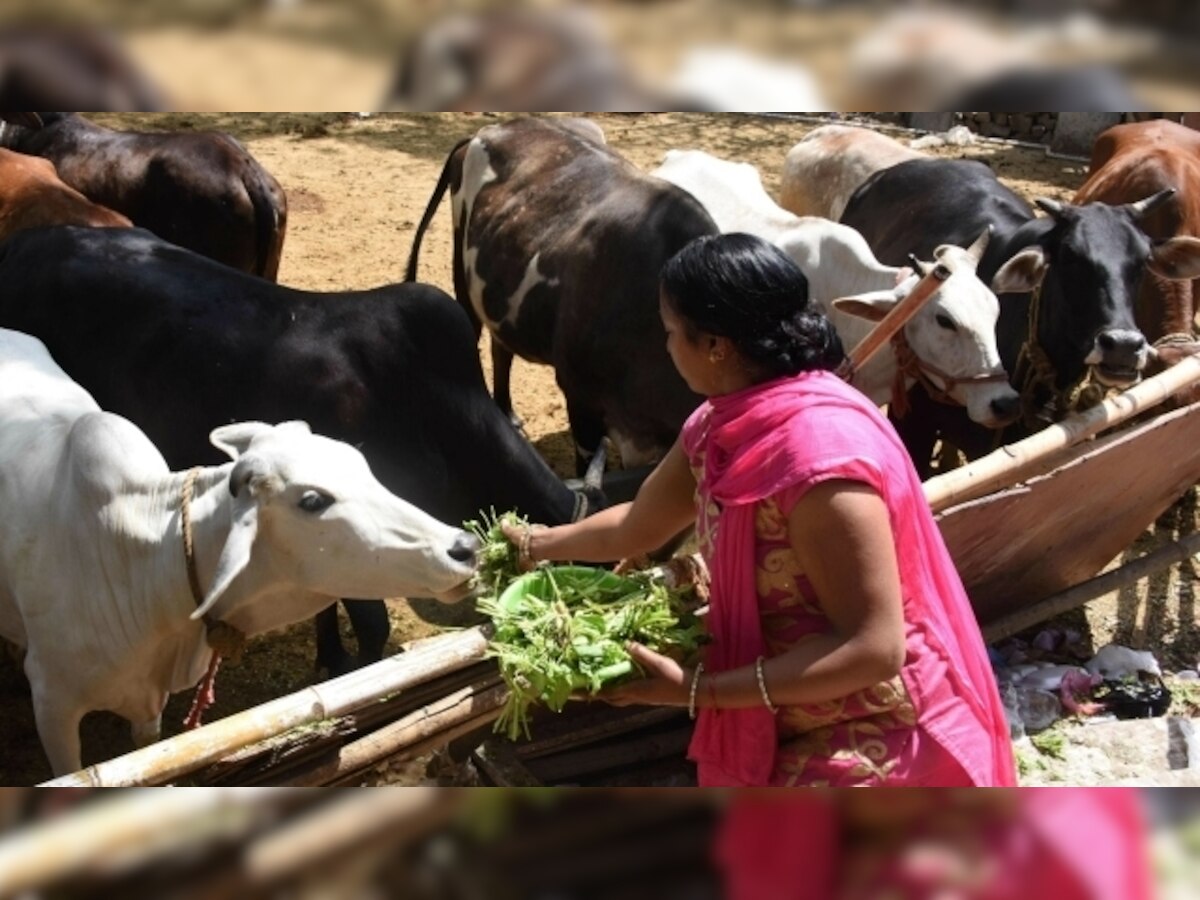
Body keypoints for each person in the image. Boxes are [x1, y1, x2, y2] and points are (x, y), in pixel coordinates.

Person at [502, 232, 1016, 787]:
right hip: (782, 702)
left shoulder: (820, 462)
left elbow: (872, 649)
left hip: (877, 726)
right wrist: (536, 544)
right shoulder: (718, 424)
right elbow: (635, 526)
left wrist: (697, 691)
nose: (667, 346)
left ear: (717, 346)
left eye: (672, 332)